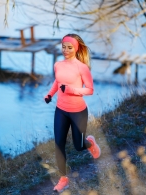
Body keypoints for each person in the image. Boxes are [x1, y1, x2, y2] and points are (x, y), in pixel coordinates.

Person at [44, 34, 101, 193]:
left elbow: (89, 90)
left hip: (78, 111)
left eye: (69, 47)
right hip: (61, 110)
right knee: (58, 144)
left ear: (76, 48)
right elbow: (57, 82)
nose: (66, 50)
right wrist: (49, 94)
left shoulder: (82, 67)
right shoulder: (58, 65)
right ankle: (63, 179)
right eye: (63, 47)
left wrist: (71, 90)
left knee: (78, 145)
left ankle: (89, 143)